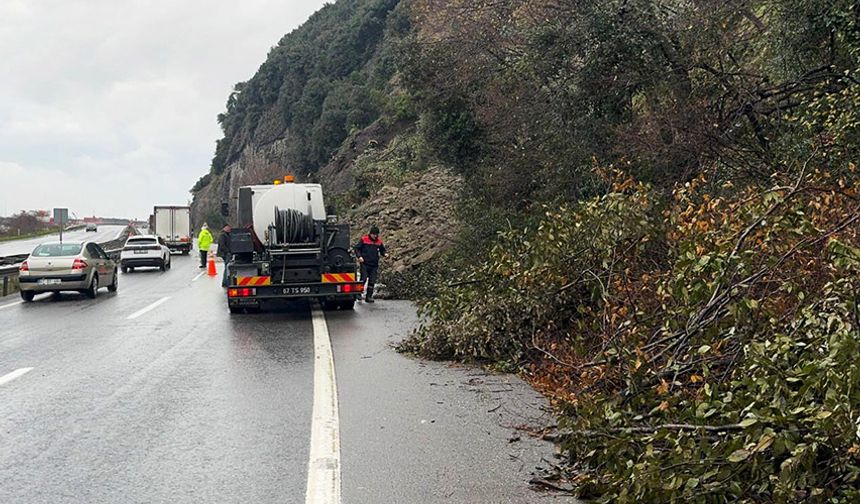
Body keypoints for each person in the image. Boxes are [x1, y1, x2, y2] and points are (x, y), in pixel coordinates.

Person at [354, 225, 386, 303]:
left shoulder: (379, 241)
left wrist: (385, 254)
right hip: (365, 263)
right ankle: (358, 294)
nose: (375, 236)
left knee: (372, 281)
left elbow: (382, 250)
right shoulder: (364, 239)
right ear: (371, 234)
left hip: (374, 265)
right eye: (374, 234)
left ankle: (369, 297)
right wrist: (359, 257)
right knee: (363, 279)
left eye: (377, 234)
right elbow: (357, 248)